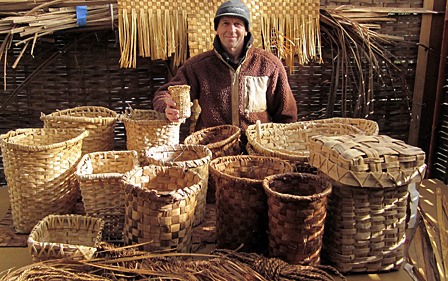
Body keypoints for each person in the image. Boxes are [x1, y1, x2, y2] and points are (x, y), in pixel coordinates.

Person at [152, 0, 298, 132]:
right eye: (225, 23)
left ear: (246, 30)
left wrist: (279, 145)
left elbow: (287, 114)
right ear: (217, 29)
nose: (231, 30)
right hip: (212, 148)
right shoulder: (198, 66)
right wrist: (167, 105)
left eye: (238, 24)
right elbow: (165, 93)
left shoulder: (268, 65)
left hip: (256, 150)